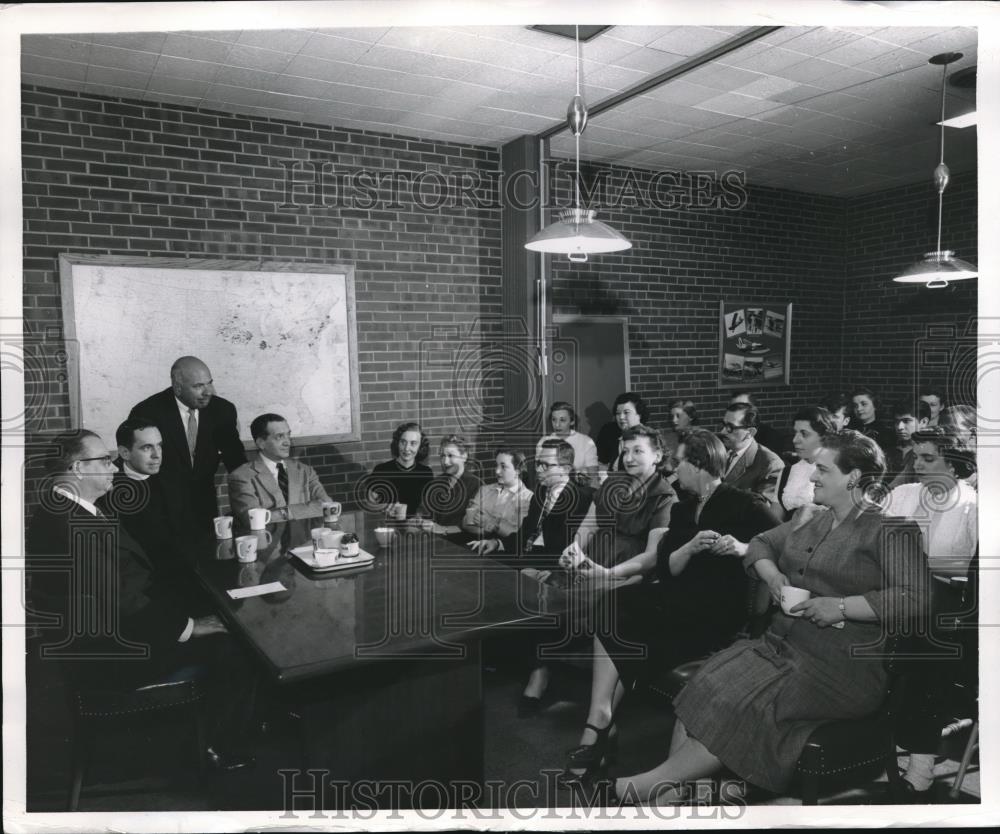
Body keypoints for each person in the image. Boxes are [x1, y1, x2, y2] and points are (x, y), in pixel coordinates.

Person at [602, 430, 926, 804]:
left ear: (853, 477)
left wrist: (839, 606)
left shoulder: (892, 531)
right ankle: (677, 792)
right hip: (783, 646)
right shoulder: (813, 520)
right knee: (706, 684)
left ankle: (646, 787)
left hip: (842, 667)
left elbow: (914, 599)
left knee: (743, 703)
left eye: (822, 469)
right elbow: (760, 544)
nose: (813, 477)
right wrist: (772, 577)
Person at [558, 429, 777, 785]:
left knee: (625, 615)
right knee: (614, 602)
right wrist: (689, 548)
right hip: (677, 599)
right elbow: (668, 567)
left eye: (679, 461)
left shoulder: (744, 504)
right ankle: (599, 717)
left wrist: (741, 548)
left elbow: (782, 542)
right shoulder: (684, 508)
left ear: (700, 463)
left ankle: (597, 728)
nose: (675, 469)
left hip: (714, 612)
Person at [26, 431, 256, 770]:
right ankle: (219, 748)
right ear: (77, 468)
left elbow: (120, 588)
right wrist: (190, 627)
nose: (114, 469)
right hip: (109, 657)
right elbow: (121, 603)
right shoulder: (75, 525)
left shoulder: (64, 510)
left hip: (98, 640)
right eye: (104, 460)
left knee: (216, 623)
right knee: (237, 648)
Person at [883, 427, 978, 799]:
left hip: (950, 610)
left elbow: (974, 575)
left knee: (928, 651)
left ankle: (921, 763)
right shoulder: (902, 495)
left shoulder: (972, 506)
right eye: (915, 457)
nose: (918, 465)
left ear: (953, 464)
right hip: (897, 600)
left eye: (928, 458)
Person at [474, 439, 595, 711]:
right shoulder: (542, 492)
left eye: (544, 464)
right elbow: (528, 532)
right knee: (484, 566)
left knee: (531, 587)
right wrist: (499, 543)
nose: (537, 469)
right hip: (530, 554)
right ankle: (494, 653)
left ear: (565, 467)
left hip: (556, 562)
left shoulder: (582, 497)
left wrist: (548, 569)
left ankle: (539, 673)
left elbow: (572, 547)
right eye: (537, 462)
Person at [129, 356, 246, 536]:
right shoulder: (148, 412)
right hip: (161, 509)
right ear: (177, 387)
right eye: (198, 386)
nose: (207, 392)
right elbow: (137, 465)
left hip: (204, 507)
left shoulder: (222, 410)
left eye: (209, 383)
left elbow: (236, 461)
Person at [99, 418, 201, 597]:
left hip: (186, 574)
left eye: (159, 445)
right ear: (124, 452)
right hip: (141, 587)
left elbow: (190, 531)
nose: (157, 455)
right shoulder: (106, 489)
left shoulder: (173, 476)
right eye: (147, 447)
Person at [227, 413, 335, 526]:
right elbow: (252, 519)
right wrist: (307, 509)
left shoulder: (305, 471)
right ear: (261, 443)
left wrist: (277, 514)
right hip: (267, 541)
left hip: (304, 541)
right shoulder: (241, 477)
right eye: (279, 436)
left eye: (288, 435)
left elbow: (327, 505)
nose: (287, 442)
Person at [464, 447, 533, 547]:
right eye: (496, 465)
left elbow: (520, 535)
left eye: (503, 467)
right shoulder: (484, 490)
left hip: (506, 553)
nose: (497, 471)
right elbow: (465, 522)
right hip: (474, 545)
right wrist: (487, 530)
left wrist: (490, 522)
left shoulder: (527, 498)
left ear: (517, 471)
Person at [719, 402, 784, 507]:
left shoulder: (770, 464)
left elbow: (762, 513)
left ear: (750, 432)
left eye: (730, 427)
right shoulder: (721, 451)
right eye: (723, 425)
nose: (722, 432)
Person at [776, 406, 833, 520]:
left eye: (804, 434)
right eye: (795, 433)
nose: (795, 440)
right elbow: (774, 519)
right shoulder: (787, 472)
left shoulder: (834, 472)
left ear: (824, 437)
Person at [367, 421, 434, 517]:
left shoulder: (426, 472)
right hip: (386, 526)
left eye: (413, 443)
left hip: (414, 527)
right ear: (397, 443)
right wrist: (384, 508)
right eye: (403, 442)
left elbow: (428, 509)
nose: (407, 448)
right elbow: (369, 505)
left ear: (420, 447)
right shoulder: (381, 470)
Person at [536, 401, 599, 486]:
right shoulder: (544, 442)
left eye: (562, 420)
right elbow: (539, 475)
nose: (557, 425)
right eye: (554, 419)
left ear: (572, 421)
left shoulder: (586, 442)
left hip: (580, 490)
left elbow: (593, 478)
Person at [425, 434, 481, 527]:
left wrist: (441, 529)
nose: (445, 462)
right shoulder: (435, 482)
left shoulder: (477, 486)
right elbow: (423, 512)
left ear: (464, 456)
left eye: (451, 455)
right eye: (442, 456)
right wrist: (419, 520)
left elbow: (473, 525)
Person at [595, 392, 649, 472]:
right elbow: (602, 461)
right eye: (618, 413)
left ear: (639, 414)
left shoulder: (647, 437)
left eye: (626, 412)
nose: (621, 417)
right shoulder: (611, 432)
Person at [885, 402, 930, 489]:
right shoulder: (887, 453)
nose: (899, 427)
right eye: (896, 422)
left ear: (923, 422)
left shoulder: (930, 453)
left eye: (906, 421)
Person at [851, 386, 890, 451]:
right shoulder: (849, 431)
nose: (859, 409)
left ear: (875, 405)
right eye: (855, 406)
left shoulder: (886, 434)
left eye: (864, 404)